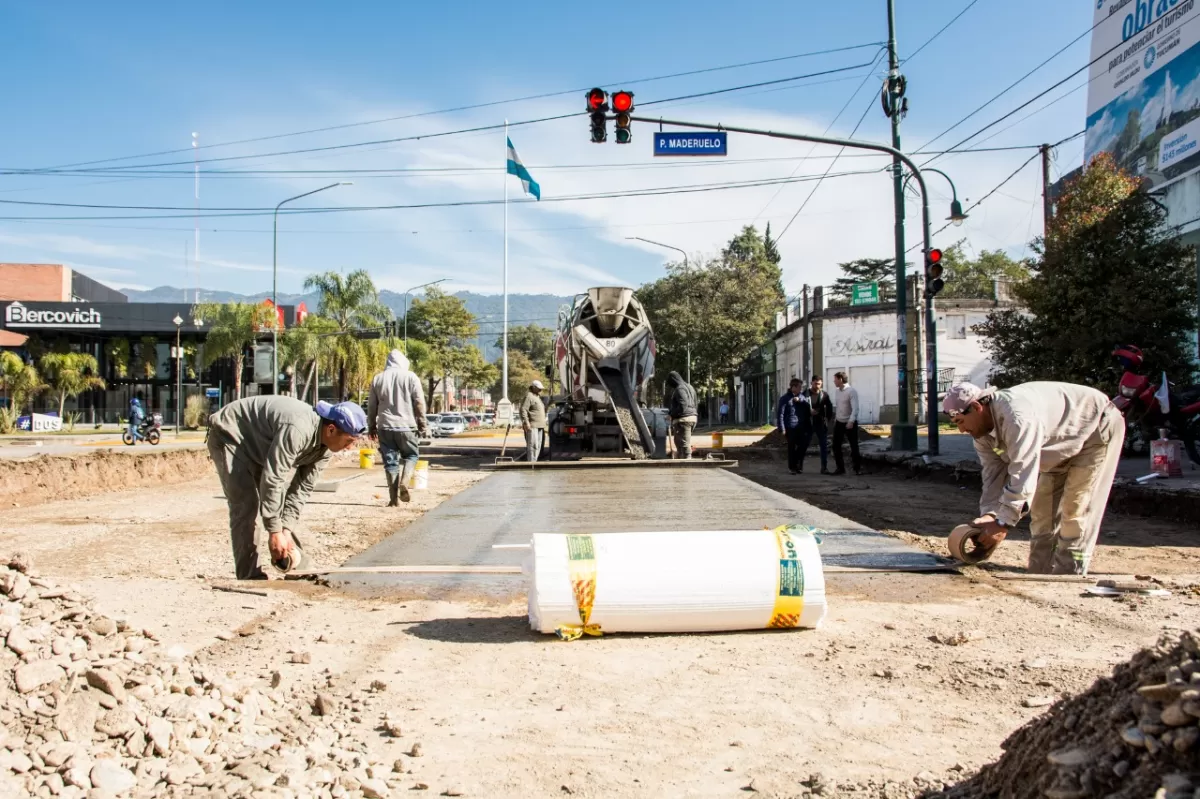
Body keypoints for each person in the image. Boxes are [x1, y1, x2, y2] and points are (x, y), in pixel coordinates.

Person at [944, 381, 1124, 575]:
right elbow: (993, 477)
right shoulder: (982, 435)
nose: (961, 430)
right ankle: (1041, 571)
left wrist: (1003, 523)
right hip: (1057, 444)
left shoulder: (1017, 418)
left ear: (978, 407)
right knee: (1042, 511)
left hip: (1094, 429)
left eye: (961, 422)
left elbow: (1023, 472)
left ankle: (1070, 574)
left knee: (1076, 507)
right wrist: (990, 516)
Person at [207, 396, 366, 580]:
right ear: (331, 429)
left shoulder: (326, 449)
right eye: (349, 441)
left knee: (278, 503)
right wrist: (274, 531)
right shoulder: (298, 429)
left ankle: (298, 567)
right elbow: (274, 477)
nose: (350, 447)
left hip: (259, 446)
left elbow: (301, 489)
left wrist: (286, 530)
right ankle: (249, 577)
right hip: (230, 435)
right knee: (246, 505)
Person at [368, 349, 429, 507]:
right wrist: (423, 425)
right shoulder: (411, 377)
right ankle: (405, 481)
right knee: (411, 456)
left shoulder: (378, 379)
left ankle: (394, 500)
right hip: (407, 426)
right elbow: (419, 403)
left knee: (390, 463)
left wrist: (371, 427)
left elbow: (372, 407)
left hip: (385, 427)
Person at [776, 378, 811, 474]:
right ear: (793, 387)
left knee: (802, 446)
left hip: (801, 426)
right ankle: (792, 467)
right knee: (792, 447)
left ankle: (799, 465)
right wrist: (782, 428)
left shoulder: (802, 397)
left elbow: (808, 409)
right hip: (790, 426)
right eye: (799, 387)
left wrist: (801, 401)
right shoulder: (785, 398)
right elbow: (781, 414)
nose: (801, 389)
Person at [832, 371, 862, 475]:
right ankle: (840, 468)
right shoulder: (837, 391)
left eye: (835, 379)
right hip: (839, 422)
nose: (834, 381)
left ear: (840, 379)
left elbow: (855, 408)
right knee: (836, 445)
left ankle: (857, 469)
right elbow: (839, 407)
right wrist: (836, 419)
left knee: (854, 445)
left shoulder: (851, 391)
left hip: (850, 423)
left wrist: (851, 421)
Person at [803, 375, 835, 475]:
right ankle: (798, 465)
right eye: (816, 383)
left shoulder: (824, 394)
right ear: (811, 383)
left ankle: (824, 468)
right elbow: (800, 408)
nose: (817, 385)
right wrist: (809, 412)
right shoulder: (805, 394)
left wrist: (827, 419)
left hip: (821, 424)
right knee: (803, 444)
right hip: (809, 423)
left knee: (824, 446)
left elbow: (829, 407)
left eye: (819, 384)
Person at [664, 371, 698, 459]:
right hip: (693, 417)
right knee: (679, 441)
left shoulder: (680, 389)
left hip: (683, 420)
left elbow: (683, 406)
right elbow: (695, 403)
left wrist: (671, 414)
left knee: (683, 443)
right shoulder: (690, 387)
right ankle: (681, 459)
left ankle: (687, 463)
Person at [520, 380, 548, 462]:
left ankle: (534, 462)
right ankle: (531, 463)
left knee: (538, 446)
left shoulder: (537, 397)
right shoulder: (529, 397)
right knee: (533, 446)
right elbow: (523, 410)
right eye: (539, 388)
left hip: (540, 425)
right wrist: (527, 423)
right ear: (534, 387)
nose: (541, 390)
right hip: (532, 425)